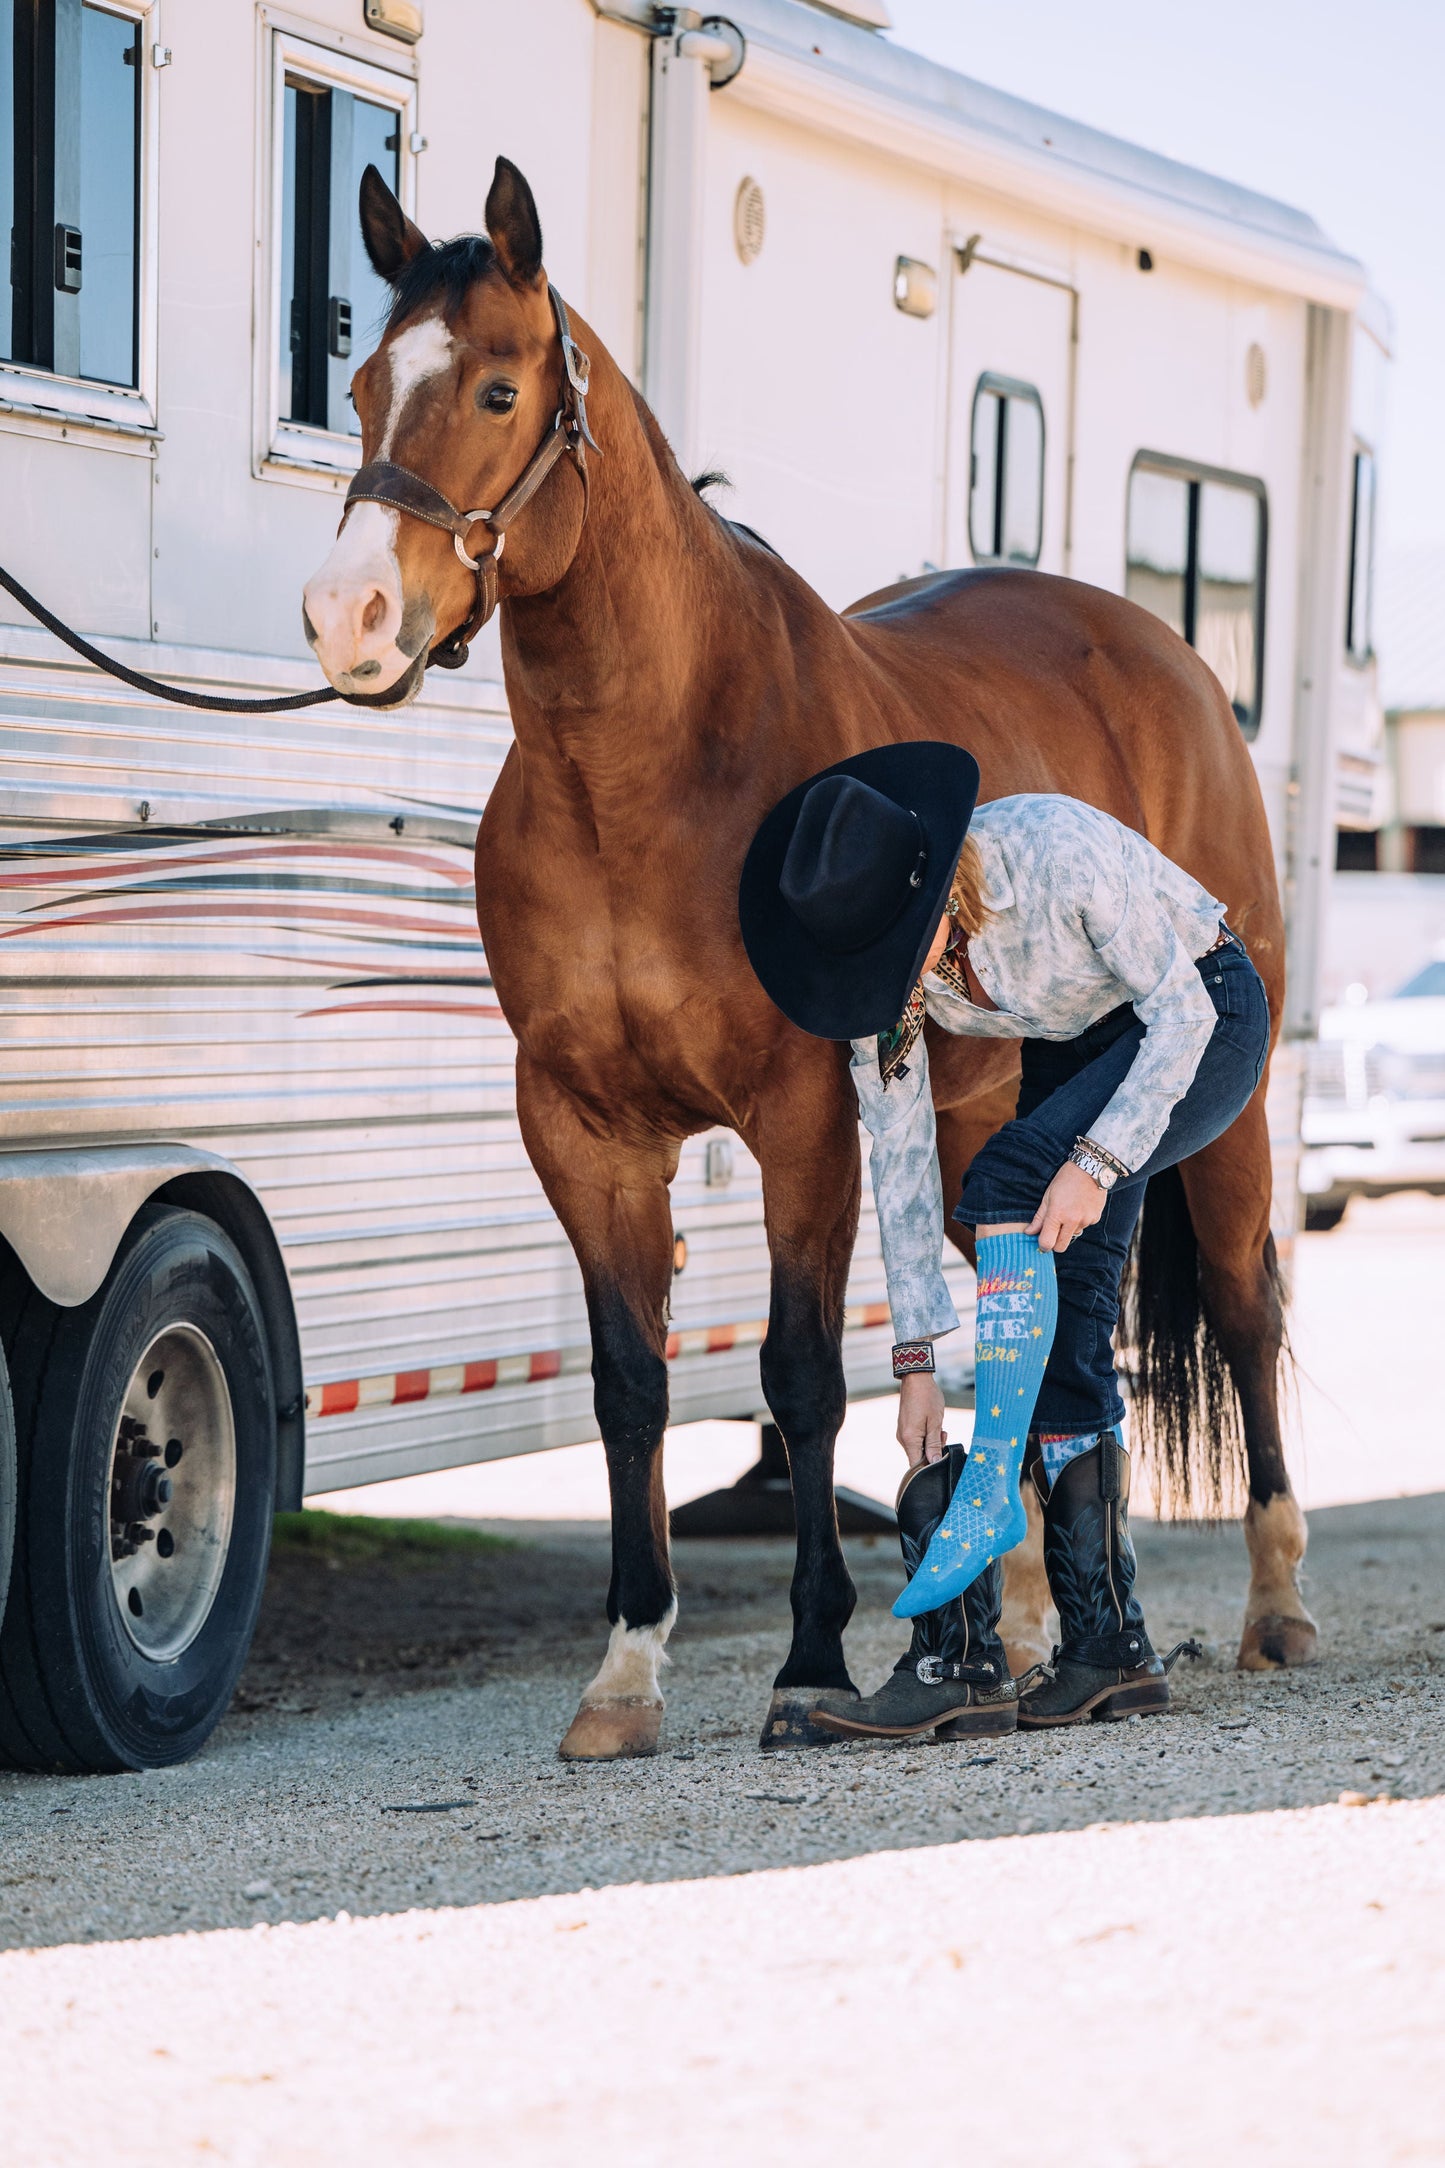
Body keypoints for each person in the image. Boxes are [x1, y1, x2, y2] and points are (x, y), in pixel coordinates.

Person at [737, 743, 1270, 1739]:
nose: (890, 990)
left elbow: (1183, 1017)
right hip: (1081, 1049)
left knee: (1006, 1175)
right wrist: (913, 1366)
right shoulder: (876, 981)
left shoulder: (1059, 853)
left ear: (938, 889)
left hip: (1199, 1014)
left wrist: (1099, 1161)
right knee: (1063, 1330)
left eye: (898, 959)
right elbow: (896, 1163)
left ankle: (979, 1533)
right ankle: (1106, 1650)